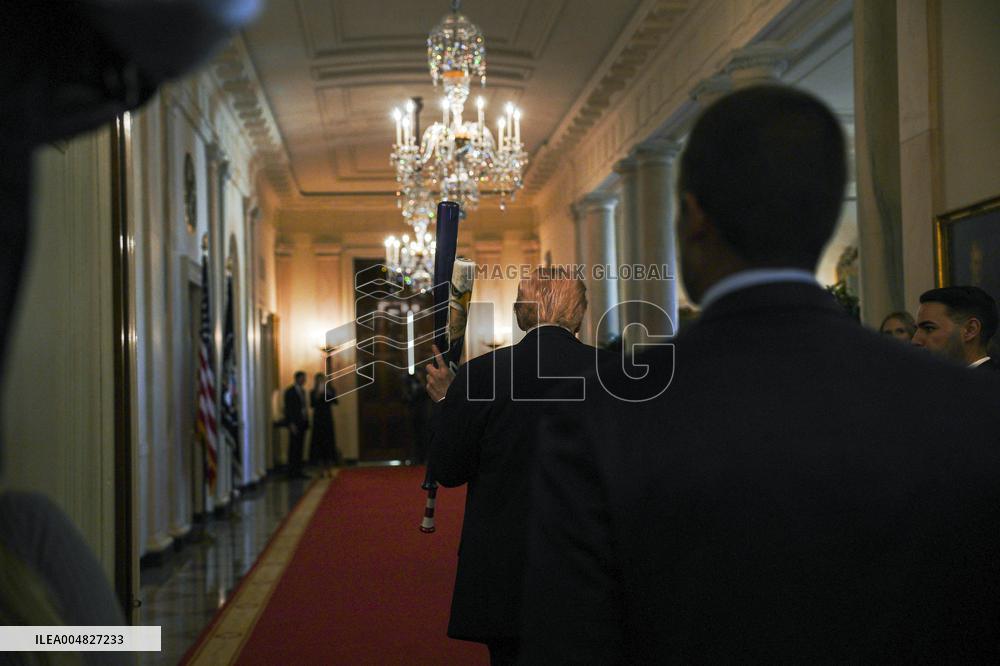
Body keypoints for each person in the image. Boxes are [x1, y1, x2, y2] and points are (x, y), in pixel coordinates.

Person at [519, 85, 1000, 663]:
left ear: (694, 218)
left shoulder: (604, 408)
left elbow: (569, 642)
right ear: (825, 219)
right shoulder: (966, 406)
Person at [425, 268, 606, 665]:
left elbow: (450, 470)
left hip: (507, 569)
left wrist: (444, 404)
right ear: (579, 314)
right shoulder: (615, 374)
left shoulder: (481, 374)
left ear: (521, 313)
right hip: (593, 567)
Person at [912, 286, 998, 370]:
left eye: (929, 328)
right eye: (916, 329)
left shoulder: (991, 382)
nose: (915, 341)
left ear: (970, 330)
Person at [309, 372, 339, 474]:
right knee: (319, 443)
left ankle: (329, 468)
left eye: (323, 380)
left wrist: (328, 392)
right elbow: (312, 404)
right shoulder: (313, 392)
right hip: (318, 419)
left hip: (327, 419)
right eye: (319, 380)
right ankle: (320, 469)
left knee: (329, 443)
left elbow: (335, 402)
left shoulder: (330, 390)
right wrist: (318, 394)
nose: (321, 381)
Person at [283, 371, 310, 479]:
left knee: (300, 447)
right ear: (297, 378)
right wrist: (290, 423)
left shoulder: (302, 391)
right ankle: (292, 472)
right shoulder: (290, 391)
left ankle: (299, 471)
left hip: (302, 422)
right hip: (294, 423)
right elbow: (288, 409)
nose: (304, 380)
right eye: (303, 378)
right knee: (293, 447)